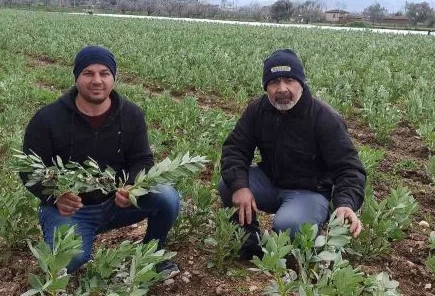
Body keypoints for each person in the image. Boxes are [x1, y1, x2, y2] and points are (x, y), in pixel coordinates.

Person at [20, 45, 180, 276]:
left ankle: (152, 255)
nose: (97, 80)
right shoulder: (47, 119)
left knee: (167, 196)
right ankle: (70, 236)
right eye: (88, 73)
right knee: (69, 261)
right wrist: (55, 195)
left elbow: (142, 160)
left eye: (104, 73)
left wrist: (131, 186)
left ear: (113, 77)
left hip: (116, 204)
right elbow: (29, 169)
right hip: (70, 209)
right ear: (77, 76)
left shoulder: (131, 115)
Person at [219, 49, 367, 260]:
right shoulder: (258, 110)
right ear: (266, 87)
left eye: (289, 80)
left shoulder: (323, 117)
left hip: (310, 192)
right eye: (274, 82)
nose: (282, 89)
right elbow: (235, 148)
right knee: (230, 185)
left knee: (288, 225)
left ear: (301, 83)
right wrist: (240, 186)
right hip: (271, 182)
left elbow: (349, 167)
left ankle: (309, 243)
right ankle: (248, 243)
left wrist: (345, 203)